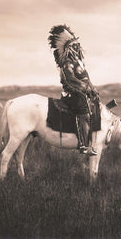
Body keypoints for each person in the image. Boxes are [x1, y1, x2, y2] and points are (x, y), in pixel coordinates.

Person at [48, 25, 99, 156]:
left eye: (78, 45)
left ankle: (94, 140)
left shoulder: (79, 62)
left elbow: (86, 78)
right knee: (83, 111)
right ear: (69, 48)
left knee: (96, 105)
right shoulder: (67, 63)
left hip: (82, 92)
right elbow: (69, 81)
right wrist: (84, 88)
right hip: (73, 94)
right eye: (74, 45)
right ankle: (84, 145)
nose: (77, 47)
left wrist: (92, 89)